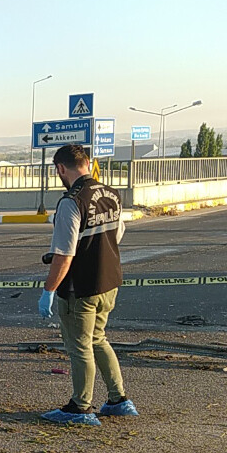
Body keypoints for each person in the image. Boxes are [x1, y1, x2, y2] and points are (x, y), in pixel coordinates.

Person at [37, 145, 138, 426]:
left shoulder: (71, 202)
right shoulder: (111, 194)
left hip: (80, 288)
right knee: (98, 338)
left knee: (80, 346)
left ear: (60, 169)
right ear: (88, 163)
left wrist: (48, 291)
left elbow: (65, 254)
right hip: (109, 282)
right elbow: (116, 235)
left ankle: (80, 408)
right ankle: (119, 400)